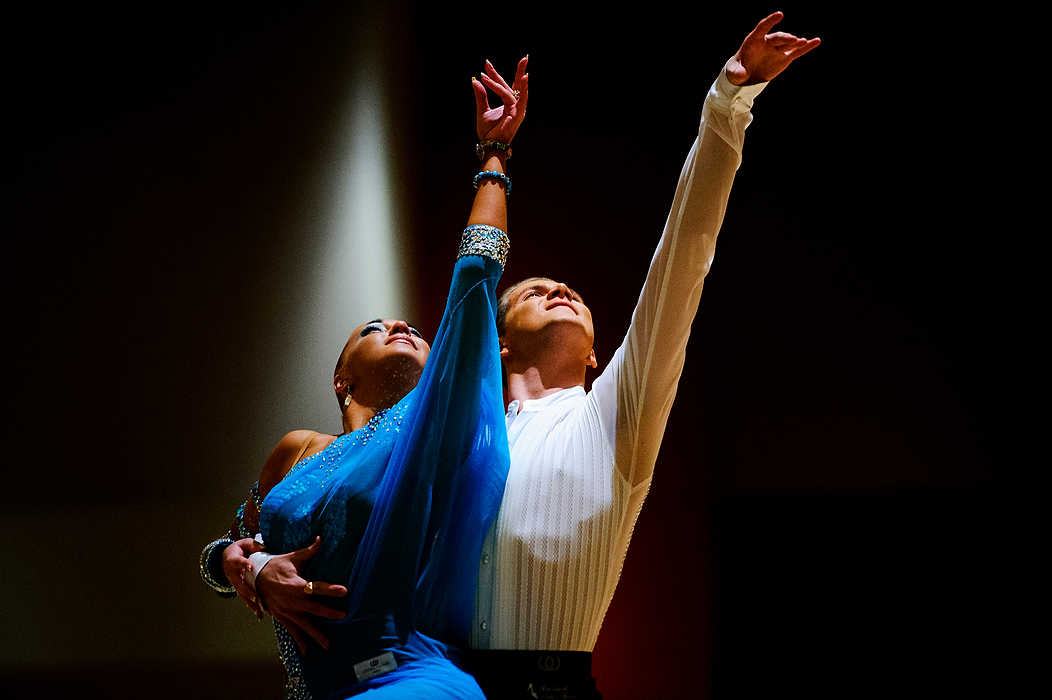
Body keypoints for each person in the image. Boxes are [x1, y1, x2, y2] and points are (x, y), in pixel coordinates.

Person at [459, 13, 820, 698]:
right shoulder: (462, 434)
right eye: (536, 289)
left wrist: (728, 104)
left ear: (599, 356)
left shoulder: (610, 417)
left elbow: (684, 258)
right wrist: (237, 559)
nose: (562, 288)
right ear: (498, 339)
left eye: (574, 293)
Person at [199, 57, 530, 698]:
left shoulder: (437, 416)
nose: (399, 327)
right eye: (372, 327)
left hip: (412, 678)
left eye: (412, 326)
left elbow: (473, 278)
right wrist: (248, 563)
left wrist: (494, 154)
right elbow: (224, 548)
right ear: (339, 378)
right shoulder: (297, 450)